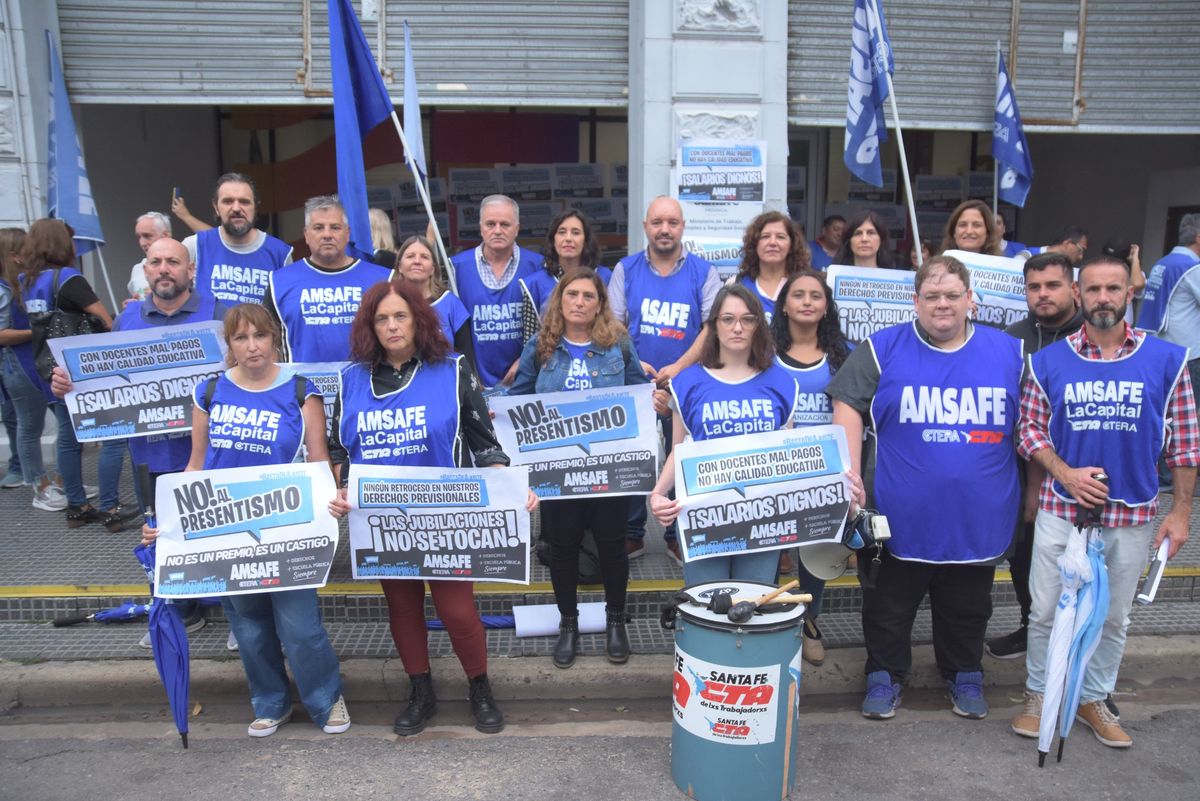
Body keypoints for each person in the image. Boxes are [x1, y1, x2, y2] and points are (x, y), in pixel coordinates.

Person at [330, 279, 537, 735]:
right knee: (402, 609)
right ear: (370, 326)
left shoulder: (453, 369)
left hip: (447, 519)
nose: (391, 325)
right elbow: (339, 450)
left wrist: (511, 489)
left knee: (457, 611)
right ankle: (420, 690)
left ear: (419, 318)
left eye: (400, 315)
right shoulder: (350, 380)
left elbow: (486, 443)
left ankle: (479, 685)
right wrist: (343, 487)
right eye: (381, 318)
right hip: (382, 522)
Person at [1012, 253, 1198, 749]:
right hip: (1061, 509)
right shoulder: (1048, 361)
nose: (1102, 299)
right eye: (1092, 290)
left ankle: (1095, 697)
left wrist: (1180, 512)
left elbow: (1185, 444)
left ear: (1129, 293)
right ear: (1078, 294)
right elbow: (1028, 431)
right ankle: (1037, 693)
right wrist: (1064, 473)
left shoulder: (1166, 359)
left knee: (1112, 616)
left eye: (1113, 289)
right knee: (1046, 610)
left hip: (1132, 511)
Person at [829, 255, 1023, 721]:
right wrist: (850, 475)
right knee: (887, 604)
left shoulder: (1010, 352)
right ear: (914, 301)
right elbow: (846, 402)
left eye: (952, 295)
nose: (942, 305)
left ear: (970, 300)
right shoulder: (882, 348)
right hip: (898, 512)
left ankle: (964, 673)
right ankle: (884, 675)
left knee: (969, 605)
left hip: (979, 514)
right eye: (932, 296)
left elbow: (1036, 422)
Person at [142, 304, 351, 736]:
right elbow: (195, 466)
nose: (252, 346)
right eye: (241, 338)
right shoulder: (210, 391)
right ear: (230, 344)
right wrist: (166, 522)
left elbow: (318, 460)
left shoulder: (300, 390)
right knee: (250, 628)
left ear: (274, 337)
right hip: (224, 530)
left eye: (260, 336)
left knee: (300, 627)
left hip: (289, 528)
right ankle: (271, 702)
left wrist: (332, 502)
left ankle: (326, 699)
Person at [53, 238, 228, 643]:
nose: (164, 269)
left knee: (218, 527)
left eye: (173, 262)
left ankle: (236, 613)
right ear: (145, 270)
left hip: (210, 449)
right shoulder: (126, 321)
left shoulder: (219, 314)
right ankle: (180, 612)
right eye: (156, 262)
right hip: (149, 453)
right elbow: (96, 382)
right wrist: (66, 383)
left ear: (190, 271)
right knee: (161, 531)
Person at [651, 284, 855, 585]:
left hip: (762, 521)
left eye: (748, 319)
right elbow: (679, 450)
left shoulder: (781, 382)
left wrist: (843, 487)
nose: (737, 327)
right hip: (705, 520)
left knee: (754, 609)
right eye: (727, 319)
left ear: (758, 325)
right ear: (713, 326)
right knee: (707, 607)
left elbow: (790, 457)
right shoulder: (689, 382)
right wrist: (657, 494)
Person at [510, 268, 650, 668]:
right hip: (557, 473)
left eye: (589, 296)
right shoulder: (540, 346)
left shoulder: (618, 345)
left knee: (612, 545)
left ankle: (615, 621)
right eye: (572, 294)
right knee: (563, 547)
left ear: (600, 304)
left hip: (609, 468)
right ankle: (567, 624)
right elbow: (518, 398)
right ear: (560, 299)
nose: (579, 302)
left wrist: (653, 402)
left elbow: (639, 389)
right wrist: (494, 407)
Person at [608, 196, 722, 563]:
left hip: (688, 384)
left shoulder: (704, 272)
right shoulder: (625, 269)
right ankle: (631, 533)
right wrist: (636, 363)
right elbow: (613, 325)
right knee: (635, 457)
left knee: (684, 457)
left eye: (672, 222)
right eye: (657, 222)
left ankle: (677, 534)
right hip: (636, 380)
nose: (665, 229)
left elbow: (711, 327)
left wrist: (679, 367)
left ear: (683, 227)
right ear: (645, 226)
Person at [985, 253, 1085, 661]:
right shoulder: (1013, 338)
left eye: (1053, 285)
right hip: (1024, 466)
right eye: (1034, 287)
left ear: (1073, 289)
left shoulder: (1091, 336)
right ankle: (1032, 627)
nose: (1042, 294)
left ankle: (1077, 644)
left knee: (1082, 561)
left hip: (1083, 469)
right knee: (1023, 552)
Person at [769, 270, 853, 666]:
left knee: (816, 553)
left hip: (825, 472)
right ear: (783, 304)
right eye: (797, 295)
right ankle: (770, 619)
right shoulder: (763, 353)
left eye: (815, 296)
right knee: (771, 551)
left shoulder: (843, 355)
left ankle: (809, 620)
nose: (806, 302)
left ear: (826, 307)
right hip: (773, 469)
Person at [18, 219, 111, 527]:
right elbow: (104, 320)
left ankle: (75, 502)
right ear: (62, 244)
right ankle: (94, 505)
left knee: (66, 438)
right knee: (95, 440)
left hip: (46, 366)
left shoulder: (27, 280)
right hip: (77, 369)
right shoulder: (69, 278)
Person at [264, 196, 390, 362]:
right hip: (302, 386)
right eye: (318, 228)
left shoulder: (382, 280)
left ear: (347, 233)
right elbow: (266, 343)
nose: (327, 235)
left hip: (366, 385)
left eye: (335, 227)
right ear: (306, 234)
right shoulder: (278, 283)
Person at [448, 194, 541, 390]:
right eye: (491, 224)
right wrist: (468, 370)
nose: (497, 230)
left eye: (505, 224)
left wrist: (526, 360)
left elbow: (548, 325)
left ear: (517, 228)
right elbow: (450, 327)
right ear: (481, 227)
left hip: (524, 380)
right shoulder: (456, 268)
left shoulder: (537, 265)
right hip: (476, 382)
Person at [185, 173, 293, 306]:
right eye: (228, 201)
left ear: (255, 207)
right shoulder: (194, 246)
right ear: (216, 208)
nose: (236, 208)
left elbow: (287, 312)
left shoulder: (280, 254)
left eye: (244, 202)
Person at [393, 234, 478, 377]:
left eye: (424, 257)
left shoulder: (451, 304)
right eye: (410, 256)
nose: (417, 261)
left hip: (445, 385)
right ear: (400, 266)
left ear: (433, 268)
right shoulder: (388, 304)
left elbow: (466, 357)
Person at [518, 209, 607, 341]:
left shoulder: (605, 277)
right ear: (553, 239)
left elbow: (612, 329)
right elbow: (530, 342)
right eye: (562, 232)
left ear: (586, 240)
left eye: (576, 233)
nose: (568, 239)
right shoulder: (533, 285)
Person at [1138, 213, 1200, 393]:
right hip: (1187, 354)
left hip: (1159, 348)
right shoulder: (1192, 268)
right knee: (1184, 415)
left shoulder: (1163, 262)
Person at [731, 211, 811, 321]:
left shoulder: (807, 285)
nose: (772, 242)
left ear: (792, 245)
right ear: (754, 244)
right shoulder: (735, 284)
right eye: (765, 236)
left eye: (780, 237)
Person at [128, 212, 172, 302]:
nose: (142, 243)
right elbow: (136, 298)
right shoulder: (137, 269)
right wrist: (131, 306)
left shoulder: (185, 265)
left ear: (166, 236)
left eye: (147, 236)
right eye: (139, 237)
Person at [1018, 224, 1089, 266]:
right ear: (1068, 243)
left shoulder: (1066, 270)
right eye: (1081, 250)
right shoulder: (1027, 255)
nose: (1081, 257)